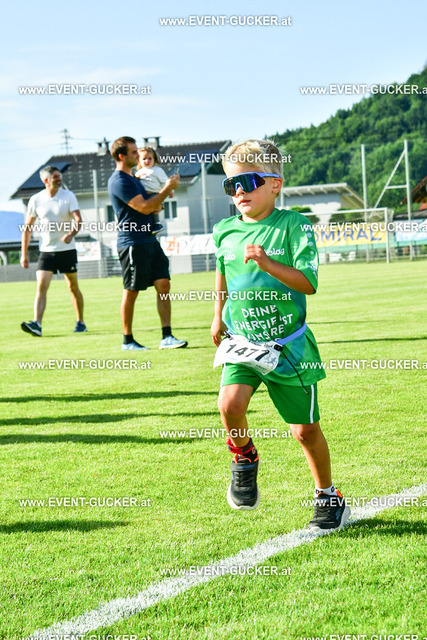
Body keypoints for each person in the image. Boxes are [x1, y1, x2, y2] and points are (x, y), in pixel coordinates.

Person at [210, 139, 350, 531]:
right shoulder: (224, 230)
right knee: (229, 405)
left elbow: (308, 283)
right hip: (243, 343)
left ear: (275, 184)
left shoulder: (294, 225)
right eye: (230, 185)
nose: (239, 192)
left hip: (288, 348)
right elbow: (222, 271)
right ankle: (244, 458)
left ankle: (328, 495)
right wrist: (217, 316)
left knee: (304, 431)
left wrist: (267, 262)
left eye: (248, 182)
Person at [108, 136, 187, 350]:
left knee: (164, 284)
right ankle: (127, 340)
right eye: (134, 152)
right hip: (132, 242)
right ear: (121, 156)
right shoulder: (119, 181)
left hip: (150, 239)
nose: (138, 155)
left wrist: (158, 203)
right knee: (131, 291)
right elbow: (143, 206)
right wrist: (167, 188)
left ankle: (167, 337)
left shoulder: (134, 178)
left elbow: (151, 205)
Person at [20, 166, 87, 337]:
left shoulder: (68, 196)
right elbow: (27, 228)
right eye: (55, 177)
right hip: (47, 251)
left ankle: (80, 322)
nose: (59, 179)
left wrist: (71, 234)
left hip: (67, 250)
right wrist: (23, 254)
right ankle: (37, 324)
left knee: (73, 287)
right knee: (41, 286)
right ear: (46, 180)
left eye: (59, 176)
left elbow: (78, 220)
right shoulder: (36, 199)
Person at [135, 146, 171, 235]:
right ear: (139, 161)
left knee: (154, 210)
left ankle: (157, 224)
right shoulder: (138, 172)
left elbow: (165, 182)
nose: (147, 161)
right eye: (144, 159)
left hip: (154, 194)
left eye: (150, 158)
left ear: (154, 159)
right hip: (143, 195)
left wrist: (170, 191)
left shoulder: (157, 170)